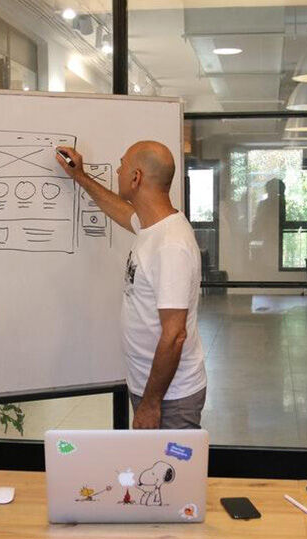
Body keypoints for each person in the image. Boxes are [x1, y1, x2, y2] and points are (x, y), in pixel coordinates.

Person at [56, 141, 207, 429]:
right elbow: (121, 211)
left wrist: (151, 404)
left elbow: (175, 335)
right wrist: (80, 177)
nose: (117, 171)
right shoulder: (153, 226)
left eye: (122, 166)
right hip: (151, 387)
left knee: (170, 473)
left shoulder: (171, 244)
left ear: (136, 177)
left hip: (169, 398)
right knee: (152, 470)